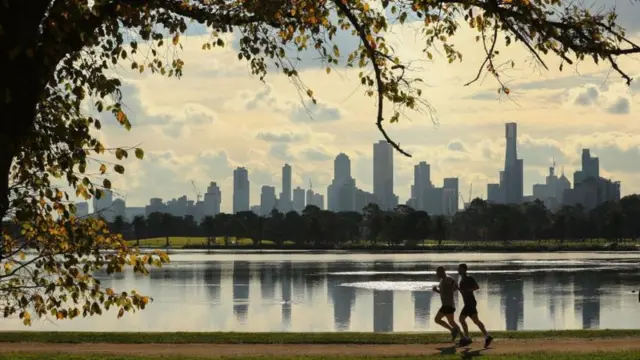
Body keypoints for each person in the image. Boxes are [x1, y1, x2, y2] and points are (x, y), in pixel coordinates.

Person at [456, 263, 493, 348]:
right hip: (468, 302)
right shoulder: (462, 279)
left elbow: (477, 287)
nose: (458, 270)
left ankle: (467, 338)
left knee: (462, 319)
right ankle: (487, 336)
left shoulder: (469, 278)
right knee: (475, 320)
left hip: (470, 302)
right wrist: (458, 288)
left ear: (464, 270)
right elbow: (462, 291)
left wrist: (469, 290)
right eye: (458, 268)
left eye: (460, 269)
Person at [432, 266, 462, 342]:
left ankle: (453, 331)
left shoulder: (447, 279)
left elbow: (455, 285)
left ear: (442, 271)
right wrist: (437, 290)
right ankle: (462, 336)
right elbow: (444, 292)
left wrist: (452, 290)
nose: (437, 274)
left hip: (448, 305)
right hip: (447, 304)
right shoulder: (442, 280)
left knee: (437, 319)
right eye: (436, 272)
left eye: (438, 272)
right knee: (451, 322)